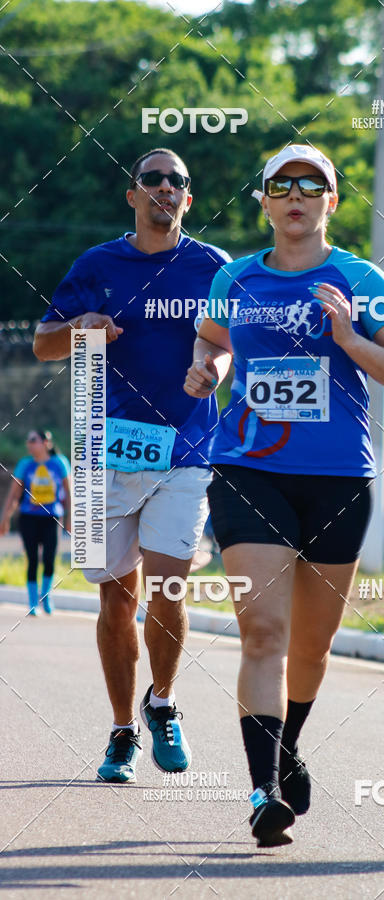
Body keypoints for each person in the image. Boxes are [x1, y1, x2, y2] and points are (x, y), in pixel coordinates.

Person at [184, 144, 384, 846]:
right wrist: (207, 369)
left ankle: (288, 747)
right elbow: (212, 343)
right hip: (247, 469)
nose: (295, 194)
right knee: (264, 633)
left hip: (338, 480)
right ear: (263, 201)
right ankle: (262, 791)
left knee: (312, 649)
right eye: (281, 185)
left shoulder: (359, 278)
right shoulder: (234, 278)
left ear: (331, 202)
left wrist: (348, 335)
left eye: (310, 184)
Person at [33, 148, 231, 783]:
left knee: (170, 586)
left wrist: (212, 369)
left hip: (186, 448)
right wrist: (81, 324)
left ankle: (164, 705)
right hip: (103, 452)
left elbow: (230, 344)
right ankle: (122, 730)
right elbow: (43, 343)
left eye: (178, 181)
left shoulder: (212, 266)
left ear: (188, 200)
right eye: (153, 179)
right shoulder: (97, 264)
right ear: (133, 194)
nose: (165, 189)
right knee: (116, 598)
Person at [0, 429, 70, 615]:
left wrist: (71, 518)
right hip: (29, 518)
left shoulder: (59, 463)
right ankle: (33, 602)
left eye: (33, 440)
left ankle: (45, 596)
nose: (29, 444)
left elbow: (69, 493)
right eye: (28, 440)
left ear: (46, 443)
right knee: (32, 559)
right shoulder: (25, 465)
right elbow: (14, 494)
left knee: (49, 559)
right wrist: (5, 518)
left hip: (52, 518)